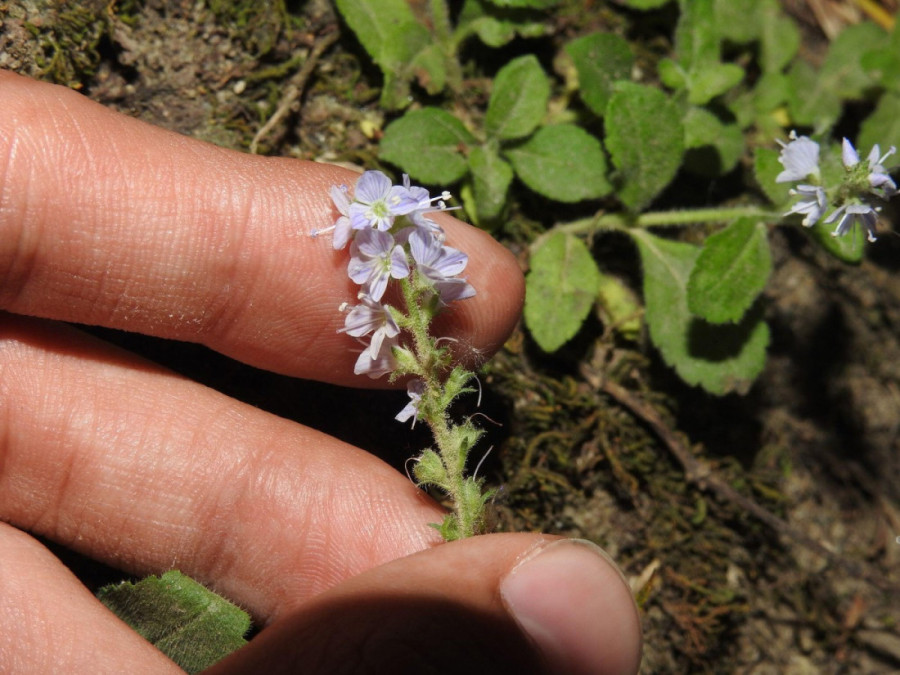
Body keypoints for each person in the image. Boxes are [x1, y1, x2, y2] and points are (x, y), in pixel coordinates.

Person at [0, 70, 642, 674]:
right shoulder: (377, 254)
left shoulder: (413, 263)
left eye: (387, 216)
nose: (379, 220)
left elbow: (419, 277)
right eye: (375, 219)